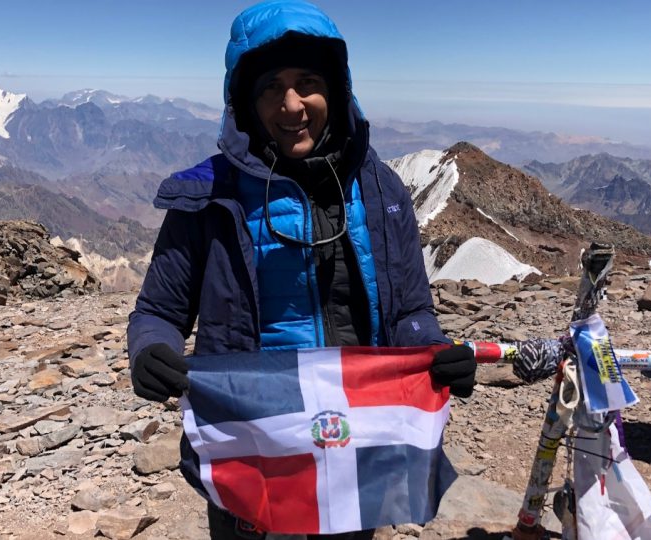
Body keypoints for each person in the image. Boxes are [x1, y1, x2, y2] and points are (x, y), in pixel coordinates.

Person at [128, 1, 476, 538]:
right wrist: (152, 350)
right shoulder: (209, 197)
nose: (292, 105)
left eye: (308, 82)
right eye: (271, 87)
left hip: (352, 436)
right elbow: (159, 309)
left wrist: (434, 353)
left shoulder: (380, 191)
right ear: (245, 101)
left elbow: (409, 309)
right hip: (255, 440)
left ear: (335, 89)